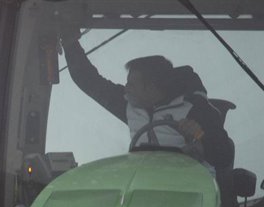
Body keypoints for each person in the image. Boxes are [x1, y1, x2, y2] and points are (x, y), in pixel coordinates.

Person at [60, 32, 234, 194]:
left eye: (132, 84)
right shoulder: (130, 104)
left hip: (190, 192)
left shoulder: (197, 109)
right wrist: (69, 42)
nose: (126, 89)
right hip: (144, 190)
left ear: (151, 87)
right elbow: (88, 81)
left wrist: (199, 135)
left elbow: (223, 157)